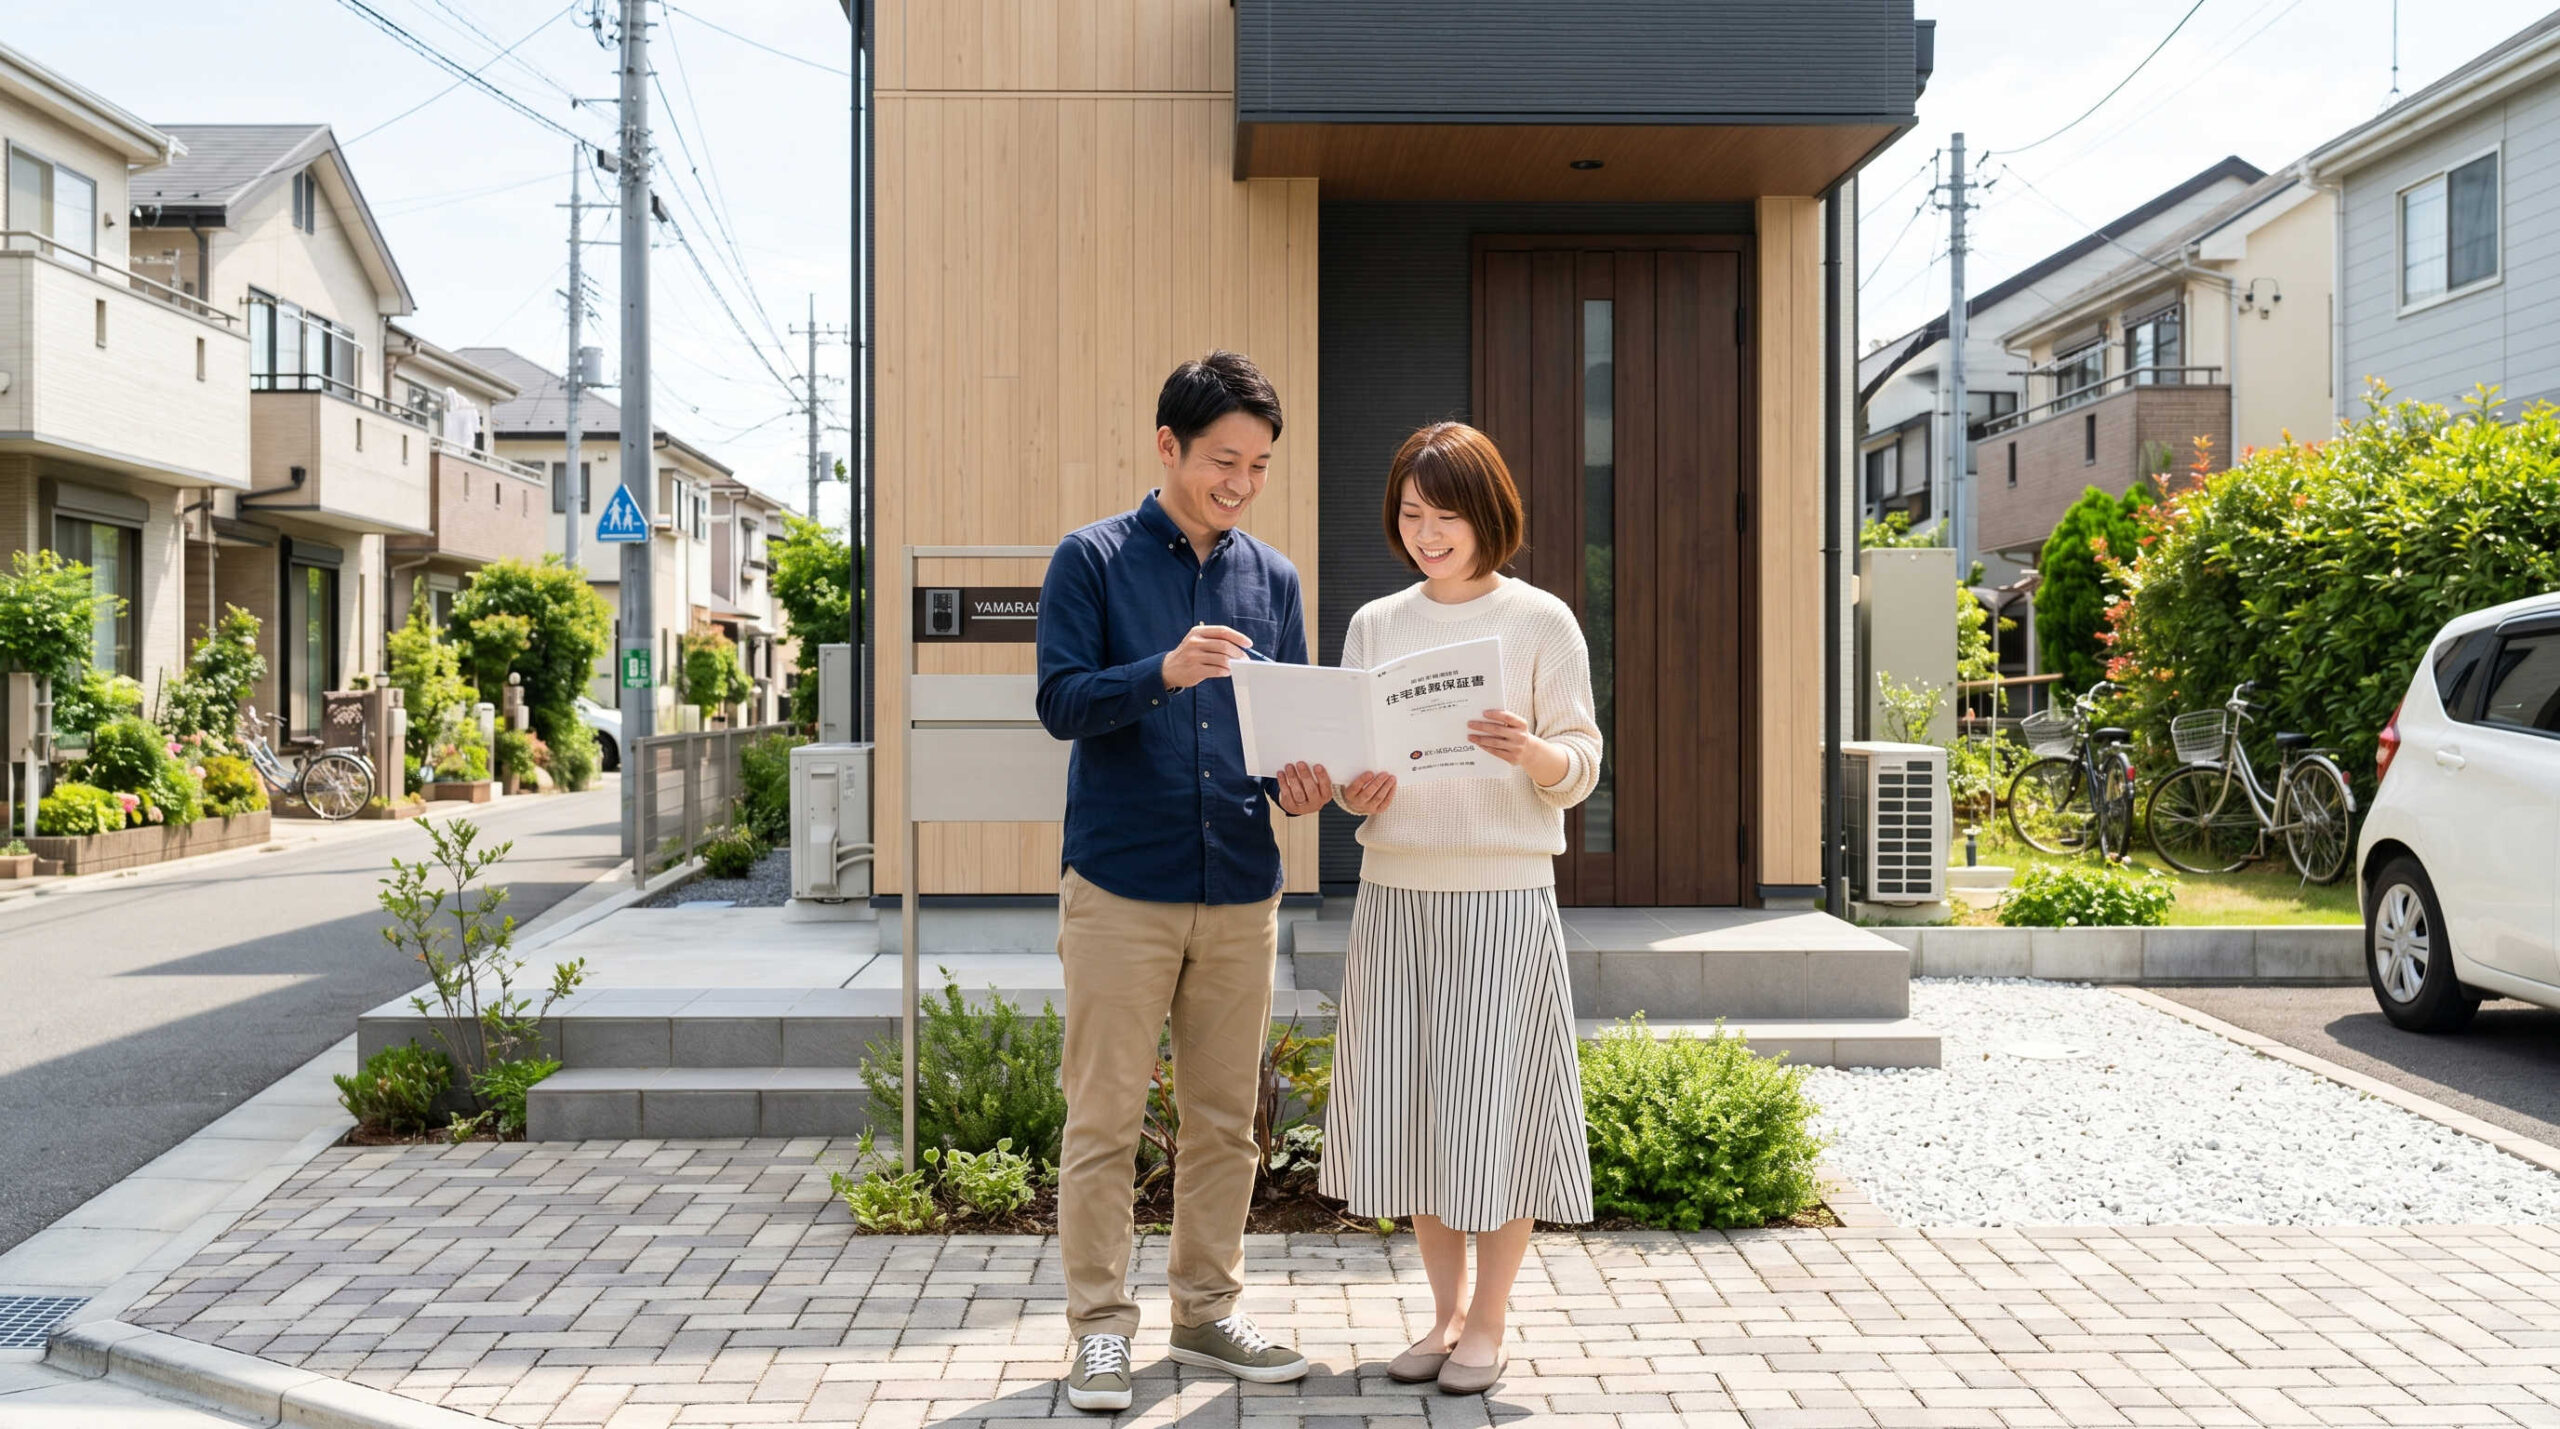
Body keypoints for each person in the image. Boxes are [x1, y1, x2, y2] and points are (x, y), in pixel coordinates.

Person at [1034, 351, 1332, 1412]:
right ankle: (1100, 1333)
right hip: (1120, 882)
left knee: (1223, 1120)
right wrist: (1161, 670)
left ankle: (1205, 1313)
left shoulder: (1276, 578)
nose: (1240, 483)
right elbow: (1061, 702)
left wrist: (1303, 789)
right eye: (1222, 460)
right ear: (1168, 445)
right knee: (1104, 1118)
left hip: (1243, 882)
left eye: (1256, 465)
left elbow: (1288, 740)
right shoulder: (1094, 559)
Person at [1321, 421, 1599, 1396]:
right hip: (1397, 895)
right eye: (1410, 514)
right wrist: (1358, 790)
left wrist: (1529, 753)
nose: (1427, 533)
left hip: (1501, 900)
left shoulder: (1540, 621)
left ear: (1489, 517)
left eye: (1445, 515)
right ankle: (1439, 1317)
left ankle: (1489, 1320)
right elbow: (1361, 762)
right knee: (1419, 1113)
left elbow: (1582, 763)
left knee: (1497, 1117)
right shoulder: (1375, 625)